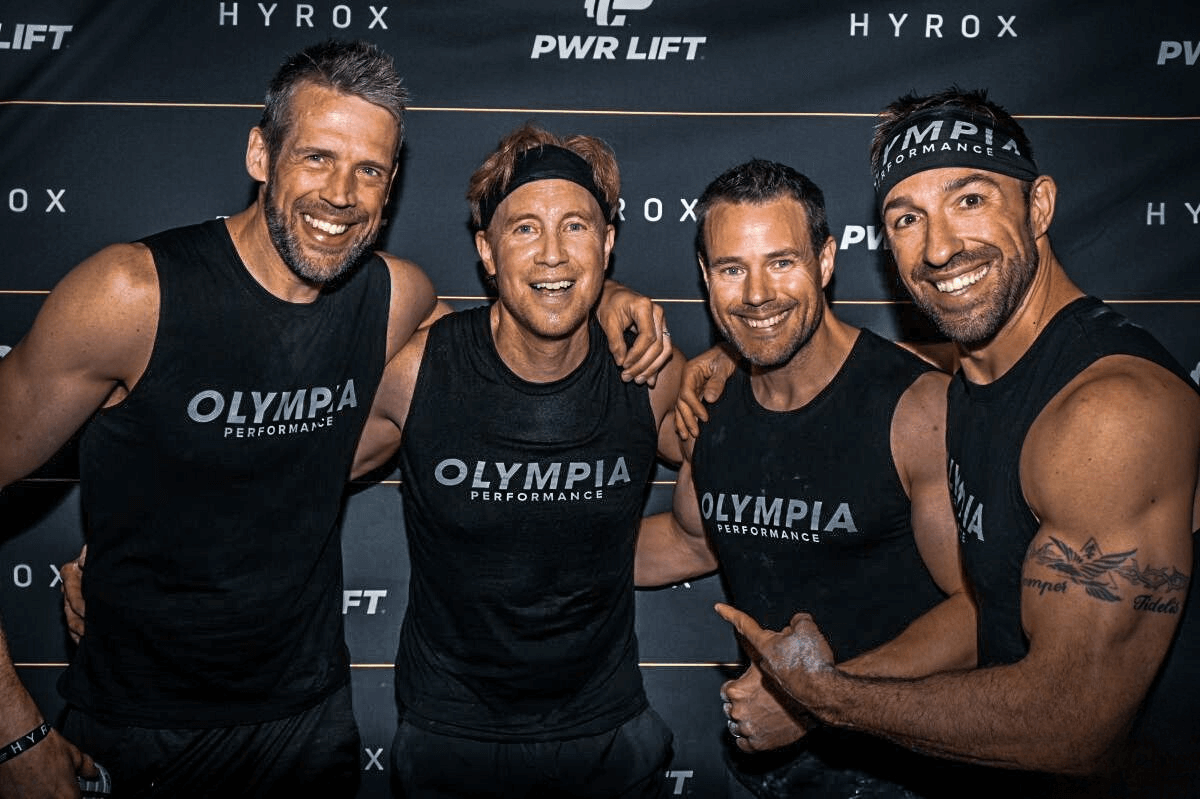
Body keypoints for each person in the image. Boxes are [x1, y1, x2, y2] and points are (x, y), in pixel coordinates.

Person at [0, 40, 668, 799]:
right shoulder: (129, 295)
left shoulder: (395, 298)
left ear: (391, 188)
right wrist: (10, 732)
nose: (341, 194)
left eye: (370, 170)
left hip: (311, 722)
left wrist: (605, 300)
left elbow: (508, 350)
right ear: (261, 153)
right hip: (137, 721)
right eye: (317, 157)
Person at [708, 89, 1200, 798]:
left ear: (1038, 208)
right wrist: (737, 350)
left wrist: (826, 698)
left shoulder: (1109, 412)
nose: (938, 247)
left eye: (969, 200)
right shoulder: (974, 377)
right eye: (907, 217)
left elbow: (1077, 726)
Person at [347, 122, 684, 799]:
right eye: (525, 228)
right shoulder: (418, 373)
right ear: (487, 252)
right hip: (451, 735)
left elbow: (763, 459)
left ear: (610, 242)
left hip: (608, 734)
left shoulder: (651, 372)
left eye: (577, 227)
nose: (554, 254)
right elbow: (274, 484)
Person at [634, 159, 975, 798]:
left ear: (825, 261)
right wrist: (539, 548)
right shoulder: (712, 402)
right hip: (762, 764)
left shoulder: (915, 407)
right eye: (733, 269)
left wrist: (814, 699)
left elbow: (980, 607)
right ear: (707, 280)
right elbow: (691, 541)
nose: (757, 294)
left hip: (902, 767)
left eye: (782, 262)